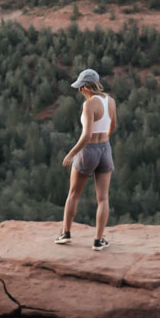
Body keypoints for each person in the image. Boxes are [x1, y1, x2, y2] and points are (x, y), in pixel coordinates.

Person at [56, 67, 116, 249]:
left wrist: (71, 154)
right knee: (103, 198)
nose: (80, 91)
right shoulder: (110, 101)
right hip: (105, 149)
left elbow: (87, 135)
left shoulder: (89, 105)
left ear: (87, 87)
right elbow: (113, 125)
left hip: (88, 151)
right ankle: (98, 240)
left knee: (74, 193)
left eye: (81, 87)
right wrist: (104, 141)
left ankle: (65, 233)